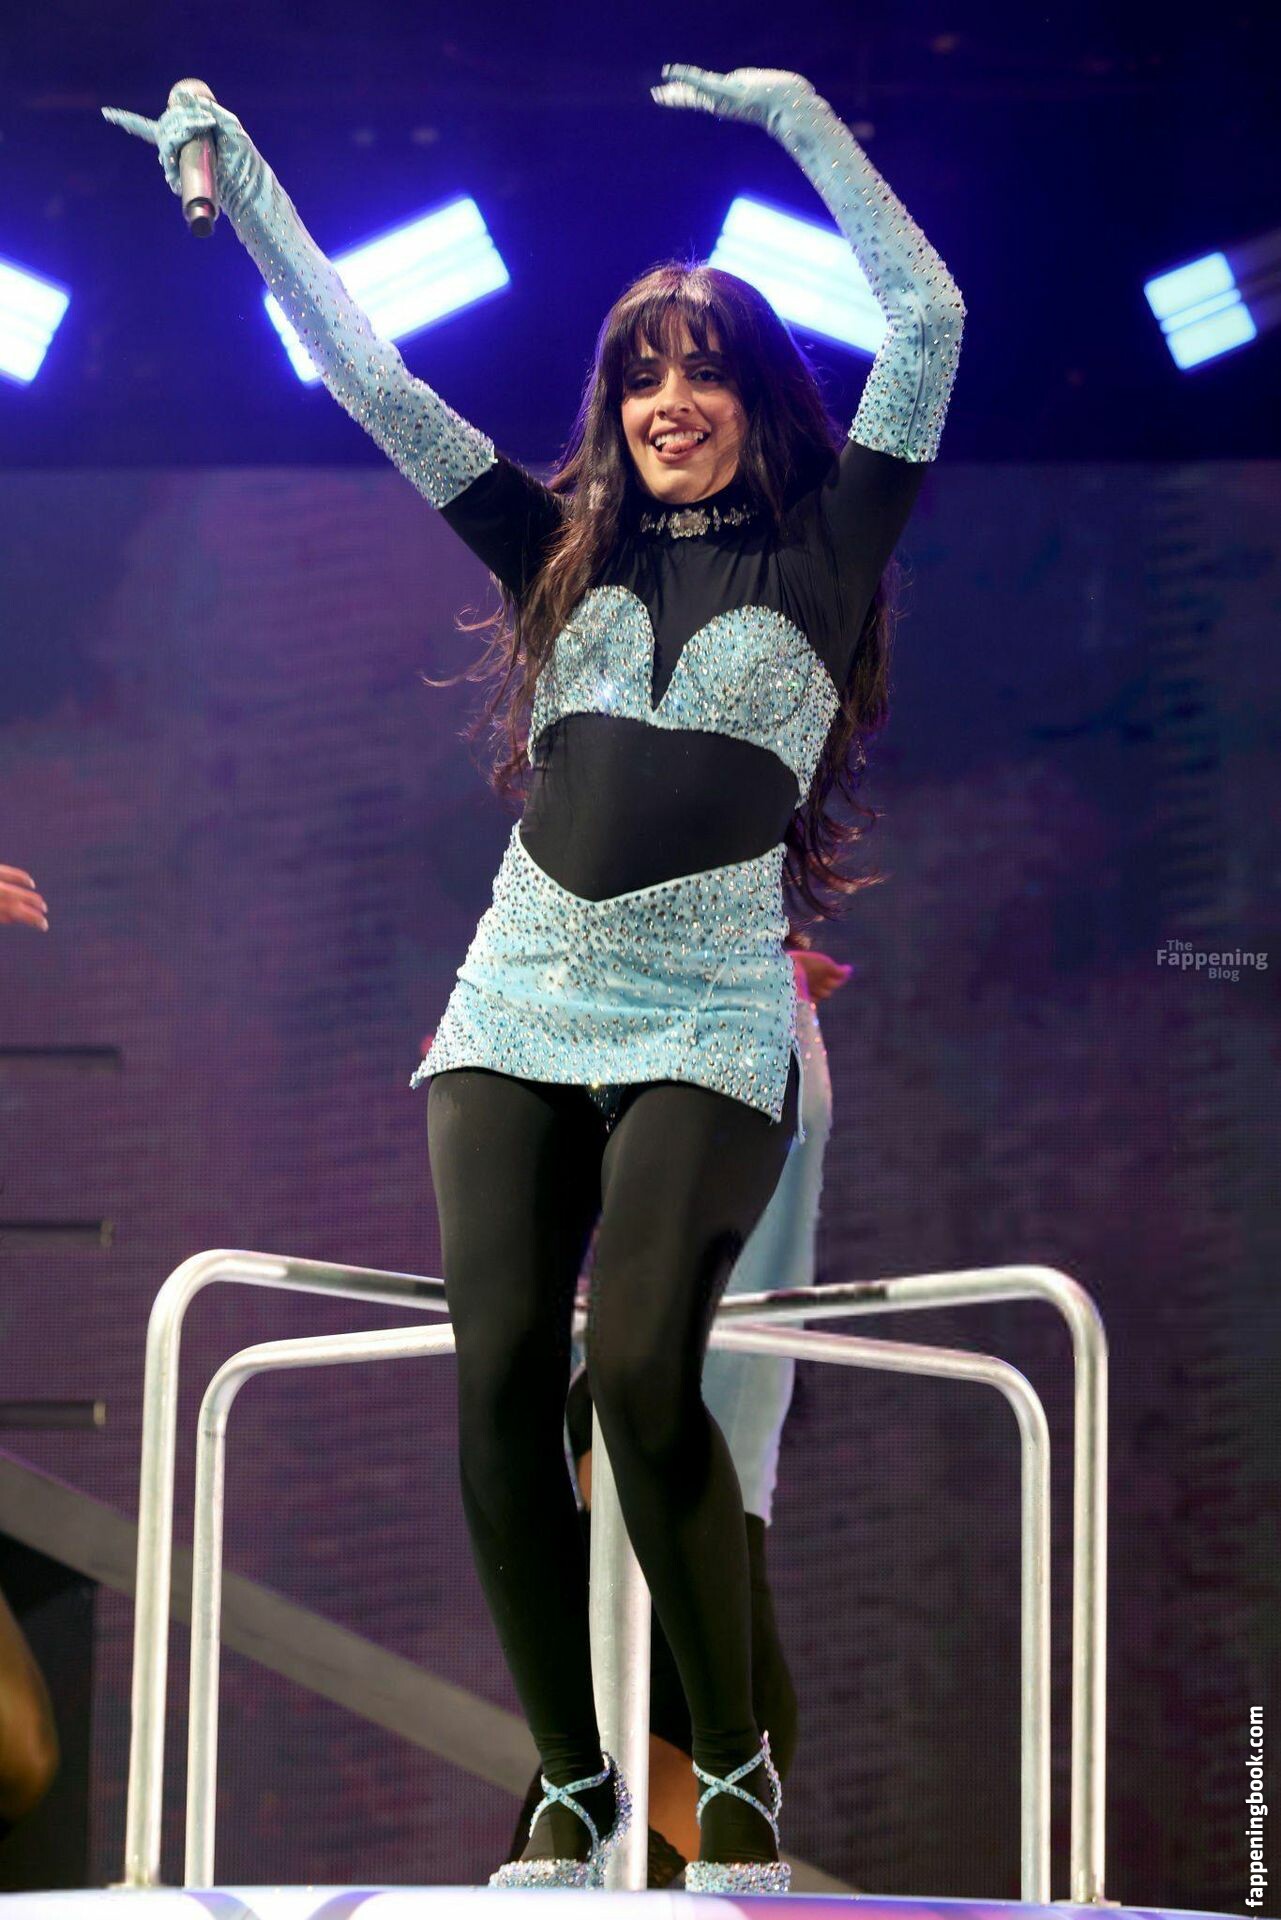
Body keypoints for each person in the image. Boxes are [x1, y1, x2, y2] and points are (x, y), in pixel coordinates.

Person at [106, 63, 964, 1892]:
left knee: (640, 1370)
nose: (669, 400)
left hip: (709, 1002)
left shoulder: (831, 544)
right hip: (519, 991)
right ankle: (571, 1783)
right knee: (498, 1375)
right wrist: (249, 188)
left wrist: (798, 125)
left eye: (703, 368)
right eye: (641, 374)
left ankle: (730, 1762)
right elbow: (369, 377)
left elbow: (931, 321)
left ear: (756, 397)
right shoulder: (553, 552)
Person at [500, 934, 850, 1886]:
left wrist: (779, 999)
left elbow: (789, 1154)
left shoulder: (700, 1341)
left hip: (692, 1710)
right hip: (630, 1706)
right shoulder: (595, 1326)